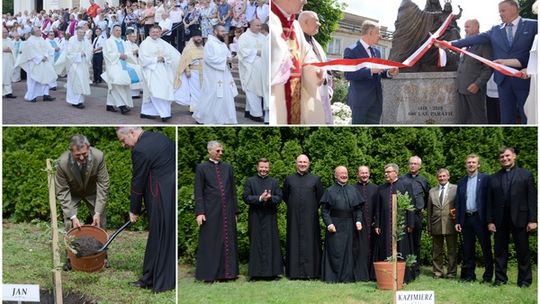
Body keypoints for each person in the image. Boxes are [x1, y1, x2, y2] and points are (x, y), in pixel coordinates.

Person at [444, 0, 537, 124]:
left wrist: (529, 67)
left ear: (514, 9)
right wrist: (450, 44)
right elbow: (474, 39)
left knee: (529, 116)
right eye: (499, 11)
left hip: (525, 79)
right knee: (506, 118)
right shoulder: (495, 30)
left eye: (503, 10)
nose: (500, 14)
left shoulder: (533, 25)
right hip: (503, 81)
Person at [116, 127, 175, 293]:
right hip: (171, 193)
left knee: (158, 235)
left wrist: (133, 210)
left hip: (159, 195)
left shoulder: (140, 150)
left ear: (132, 133)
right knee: (166, 235)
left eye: (123, 140)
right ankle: (155, 276)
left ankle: (154, 279)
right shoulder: (161, 138)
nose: (123, 145)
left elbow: (138, 181)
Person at [487, 147, 537, 287]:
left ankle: (524, 281)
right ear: (499, 160)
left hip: (520, 218)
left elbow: (532, 198)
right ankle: (500, 279)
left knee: (523, 251)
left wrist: (533, 220)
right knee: (500, 252)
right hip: (499, 220)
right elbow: (489, 202)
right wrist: (490, 221)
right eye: (502, 157)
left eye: (507, 156)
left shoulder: (526, 175)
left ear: (514, 156)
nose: (505, 158)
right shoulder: (493, 178)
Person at [270, 0, 324, 124]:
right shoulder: (272, 20)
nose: (305, 1)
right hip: (276, 103)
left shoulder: (295, 26)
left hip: (296, 100)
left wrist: (315, 69)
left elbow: (307, 56)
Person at [194, 141, 239, 282]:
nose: (221, 153)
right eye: (218, 151)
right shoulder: (201, 168)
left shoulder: (228, 168)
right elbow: (198, 192)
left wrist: (235, 212)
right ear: (209, 151)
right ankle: (209, 275)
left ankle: (229, 274)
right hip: (210, 211)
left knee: (227, 241)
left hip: (227, 211)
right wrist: (200, 212)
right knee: (211, 241)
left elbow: (233, 191)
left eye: (222, 151)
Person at [344, 21, 399, 124]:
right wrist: (370, 71)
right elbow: (348, 74)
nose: (380, 36)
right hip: (360, 102)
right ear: (370, 32)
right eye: (378, 32)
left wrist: (389, 73)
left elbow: (379, 72)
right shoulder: (351, 50)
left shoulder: (376, 52)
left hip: (376, 102)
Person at [320, 166, 368, 283]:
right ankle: (333, 277)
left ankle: (348, 277)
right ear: (335, 175)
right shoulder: (329, 190)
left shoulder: (353, 190)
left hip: (350, 225)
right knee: (335, 251)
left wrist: (358, 221)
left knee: (349, 252)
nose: (344, 175)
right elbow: (324, 211)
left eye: (345, 173)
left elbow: (358, 209)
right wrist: (329, 224)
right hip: (335, 225)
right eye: (341, 173)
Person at [55, 134, 109, 232]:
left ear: (89, 148)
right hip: (72, 193)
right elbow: (62, 190)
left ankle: (101, 245)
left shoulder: (99, 156)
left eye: (84, 154)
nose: (81, 158)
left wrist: (97, 212)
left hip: (92, 191)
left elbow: (103, 184)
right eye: (77, 155)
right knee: (69, 222)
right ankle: (71, 244)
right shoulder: (62, 162)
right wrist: (73, 216)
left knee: (100, 220)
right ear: (71, 151)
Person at [283, 154, 323, 279]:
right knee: (293, 242)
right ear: (296, 163)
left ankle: (312, 272)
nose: (302, 164)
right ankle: (293, 273)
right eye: (300, 162)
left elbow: (320, 198)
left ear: (309, 164)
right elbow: (285, 196)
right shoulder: (289, 180)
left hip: (310, 218)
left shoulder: (315, 180)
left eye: (305, 162)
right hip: (293, 218)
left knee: (311, 242)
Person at [374, 163, 416, 283]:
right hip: (385, 224)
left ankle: (404, 277)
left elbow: (410, 205)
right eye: (385, 172)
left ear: (396, 173)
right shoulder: (381, 188)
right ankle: (387, 276)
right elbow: (378, 207)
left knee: (402, 248)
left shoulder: (406, 185)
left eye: (388, 172)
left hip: (401, 224)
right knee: (386, 247)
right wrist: (377, 224)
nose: (386, 174)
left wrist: (411, 224)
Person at [454, 154, 493, 283]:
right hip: (466, 219)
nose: (471, 164)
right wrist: (458, 221)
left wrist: (490, 221)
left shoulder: (486, 179)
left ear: (478, 164)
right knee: (468, 250)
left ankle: (487, 277)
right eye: (469, 162)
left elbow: (489, 201)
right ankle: (470, 276)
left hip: (480, 219)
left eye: (473, 162)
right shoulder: (461, 182)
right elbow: (458, 203)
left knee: (485, 249)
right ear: (466, 165)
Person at [243, 158, 283, 280]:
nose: (263, 169)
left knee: (272, 243)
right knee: (256, 243)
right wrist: (260, 198)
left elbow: (280, 197)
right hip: (255, 216)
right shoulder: (250, 181)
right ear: (257, 167)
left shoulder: (274, 182)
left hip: (270, 216)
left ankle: (273, 273)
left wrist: (270, 198)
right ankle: (255, 274)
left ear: (269, 168)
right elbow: (246, 197)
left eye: (266, 167)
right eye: (261, 167)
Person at [193, 24, 239, 124]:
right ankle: (203, 117)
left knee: (225, 96)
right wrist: (226, 60)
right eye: (222, 31)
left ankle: (223, 118)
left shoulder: (222, 44)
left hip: (224, 73)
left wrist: (230, 61)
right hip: (213, 75)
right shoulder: (210, 44)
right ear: (215, 32)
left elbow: (227, 55)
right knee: (211, 95)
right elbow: (209, 59)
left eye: (224, 31)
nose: (224, 33)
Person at [139, 25, 181, 122]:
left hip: (162, 69)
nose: (155, 34)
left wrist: (164, 59)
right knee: (157, 90)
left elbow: (170, 55)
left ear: (160, 33)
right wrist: (156, 59)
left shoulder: (162, 43)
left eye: (157, 32)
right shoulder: (145, 44)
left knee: (163, 89)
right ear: (149, 33)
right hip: (151, 70)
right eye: (153, 32)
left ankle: (147, 112)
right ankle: (165, 114)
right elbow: (142, 58)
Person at [456, 19, 493, 124]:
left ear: (476, 27)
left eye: (467, 27)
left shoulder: (484, 44)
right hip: (461, 88)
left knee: (477, 119)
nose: (465, 29)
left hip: (474, 89)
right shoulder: (466, 45)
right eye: (465, 27)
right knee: (461, 119)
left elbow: (488, 68)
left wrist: (478, 84)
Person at [299, 10, 332, 124]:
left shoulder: (316, 44)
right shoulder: (296, 42)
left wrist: (329, 90)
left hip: (322, 94)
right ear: (305, 22)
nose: (319, 24)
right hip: (304, 96)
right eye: (316, 21)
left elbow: (327, 70)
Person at [102, 25, 142, 114]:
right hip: (114, 65)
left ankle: (109, 104)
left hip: (124, 65)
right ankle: (122, 106)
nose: (118, 32)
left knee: (117, 84)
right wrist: (119, 55)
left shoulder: (122, 42)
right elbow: (108, 54)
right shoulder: (109, 41)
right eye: (116, 30)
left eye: (120, 30)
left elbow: (128, 52)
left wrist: (126, 55)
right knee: (117, 84)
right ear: (112, 31)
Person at [400, 156, 430, 278]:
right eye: (411, 163)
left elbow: (428, 196)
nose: (412, 166)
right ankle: (405, 268)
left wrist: (423, 207)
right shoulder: (402, 179)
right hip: (405, 215)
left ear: (420, 166)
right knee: (405, 242)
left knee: (416, 242)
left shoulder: (423, 180)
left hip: (417, 215)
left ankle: (416, 269)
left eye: (415, 164)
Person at [427, 168, 457, 279]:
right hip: (436, 224)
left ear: (448, 177)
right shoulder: (432, 191)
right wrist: (429, 227)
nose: (442, 178)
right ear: (437, 178)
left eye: (444, 176)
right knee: (436, 250)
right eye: (440, 176)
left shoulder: (455, 189)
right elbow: (429, 210)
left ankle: (451, 272)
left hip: (451, 223)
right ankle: (437, 272)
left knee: (452, 250)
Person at [15, 26, 57, 103]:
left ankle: (46, 95)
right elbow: (30, 53)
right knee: (34, 80)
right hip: (35, 63)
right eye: (38, 30)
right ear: (33, 32)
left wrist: (46, 56)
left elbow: (47, 49)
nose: (40, 31)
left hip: (44, 62)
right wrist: (41, 58)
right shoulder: (30, 41)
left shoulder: (42, 39)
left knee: (46, 78)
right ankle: (32, 96)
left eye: (39, 30)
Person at [238, 19, 266, 122]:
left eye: (260, 25)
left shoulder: (263, 37)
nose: (259, 27)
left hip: (261, 69)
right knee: (252, 90)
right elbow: (241, 51)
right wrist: (256, 52)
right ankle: (256, 114)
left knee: (254, 90)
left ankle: (248, 111)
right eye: (257, 25)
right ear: (251, 25)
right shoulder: (244, 37)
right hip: (250, 68)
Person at [354, 165, 379, 281]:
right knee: (360, 249)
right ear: (358, 174)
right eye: (362, 173)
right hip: (359, 224)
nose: (364, 175)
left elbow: (378, 207)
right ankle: (361, 275)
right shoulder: (353, 188)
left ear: (369, 174)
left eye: (366, 173)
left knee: (373, 248)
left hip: (373, 224)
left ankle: (373, 274)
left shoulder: (376, 188)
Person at [174, 28, 204, 112]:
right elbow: (184, 60)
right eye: (197, 37)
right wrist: (187, 70)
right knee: (195, 90)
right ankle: (195, 108)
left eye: (200, 37)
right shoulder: (188, 48)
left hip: (203, 72)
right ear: (193, 38)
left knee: (202, 90)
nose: (199, 38)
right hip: (193, 72)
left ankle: (201, 107)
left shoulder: (202, 47)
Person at [63, 26, 93, 109]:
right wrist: (79, 54)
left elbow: (90, 50)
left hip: (83, 64)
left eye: (83, 32)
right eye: (79, 32)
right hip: (74, 65)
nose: (81, 34)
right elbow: (69, 53)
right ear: (76, 32)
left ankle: (79, 101)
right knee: (76, 82)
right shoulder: (72, 40)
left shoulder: (86, 40)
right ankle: (74, 101)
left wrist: (86, 54)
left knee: (82, 82)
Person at [3, 27, 17, 99]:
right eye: (3, 32)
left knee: (8, 76)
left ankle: (8, 92)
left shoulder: (9, 40)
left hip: (8, 61)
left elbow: (13, 48)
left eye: (6, 32)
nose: (5, 34)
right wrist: (2, 49)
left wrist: (11, 50)